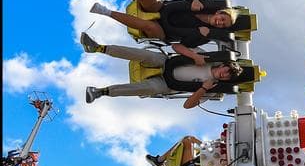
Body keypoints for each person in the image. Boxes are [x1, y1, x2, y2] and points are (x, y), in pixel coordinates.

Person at [87, 0, 240, 54]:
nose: (219, 22)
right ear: (219, 12)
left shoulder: (206, 36)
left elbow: (181, 45)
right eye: (222, 18)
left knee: (150, 27)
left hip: (165, 31)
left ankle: (104, 11)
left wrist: (198, 34)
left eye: (222, 25)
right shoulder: (206, 3)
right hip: (164, 9)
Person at [81, 33, 248, 108]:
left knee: (149, 89)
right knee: (145, 55)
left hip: (167, 84)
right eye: (226, 70)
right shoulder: (205, 56)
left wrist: (203, 88)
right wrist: (193, 55)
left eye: (227, 76)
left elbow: (187, 105)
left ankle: (101, 92)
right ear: (222, 65)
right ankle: (98, 48)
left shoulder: (211, 90)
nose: (224, 74)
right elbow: (176, 46)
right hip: (166, 63)